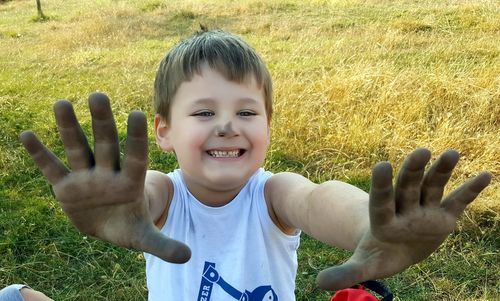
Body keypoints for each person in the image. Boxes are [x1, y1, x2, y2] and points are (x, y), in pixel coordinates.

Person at [20, 29, 491, 300]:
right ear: (164, 131)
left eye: (246, 112)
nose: (227, 126)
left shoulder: (273, 192)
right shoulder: (164, 194)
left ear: (268, 124)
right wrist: (122, 206)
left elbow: (316, 198)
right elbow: (144, 200)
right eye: (204, 113)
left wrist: (366, 226)